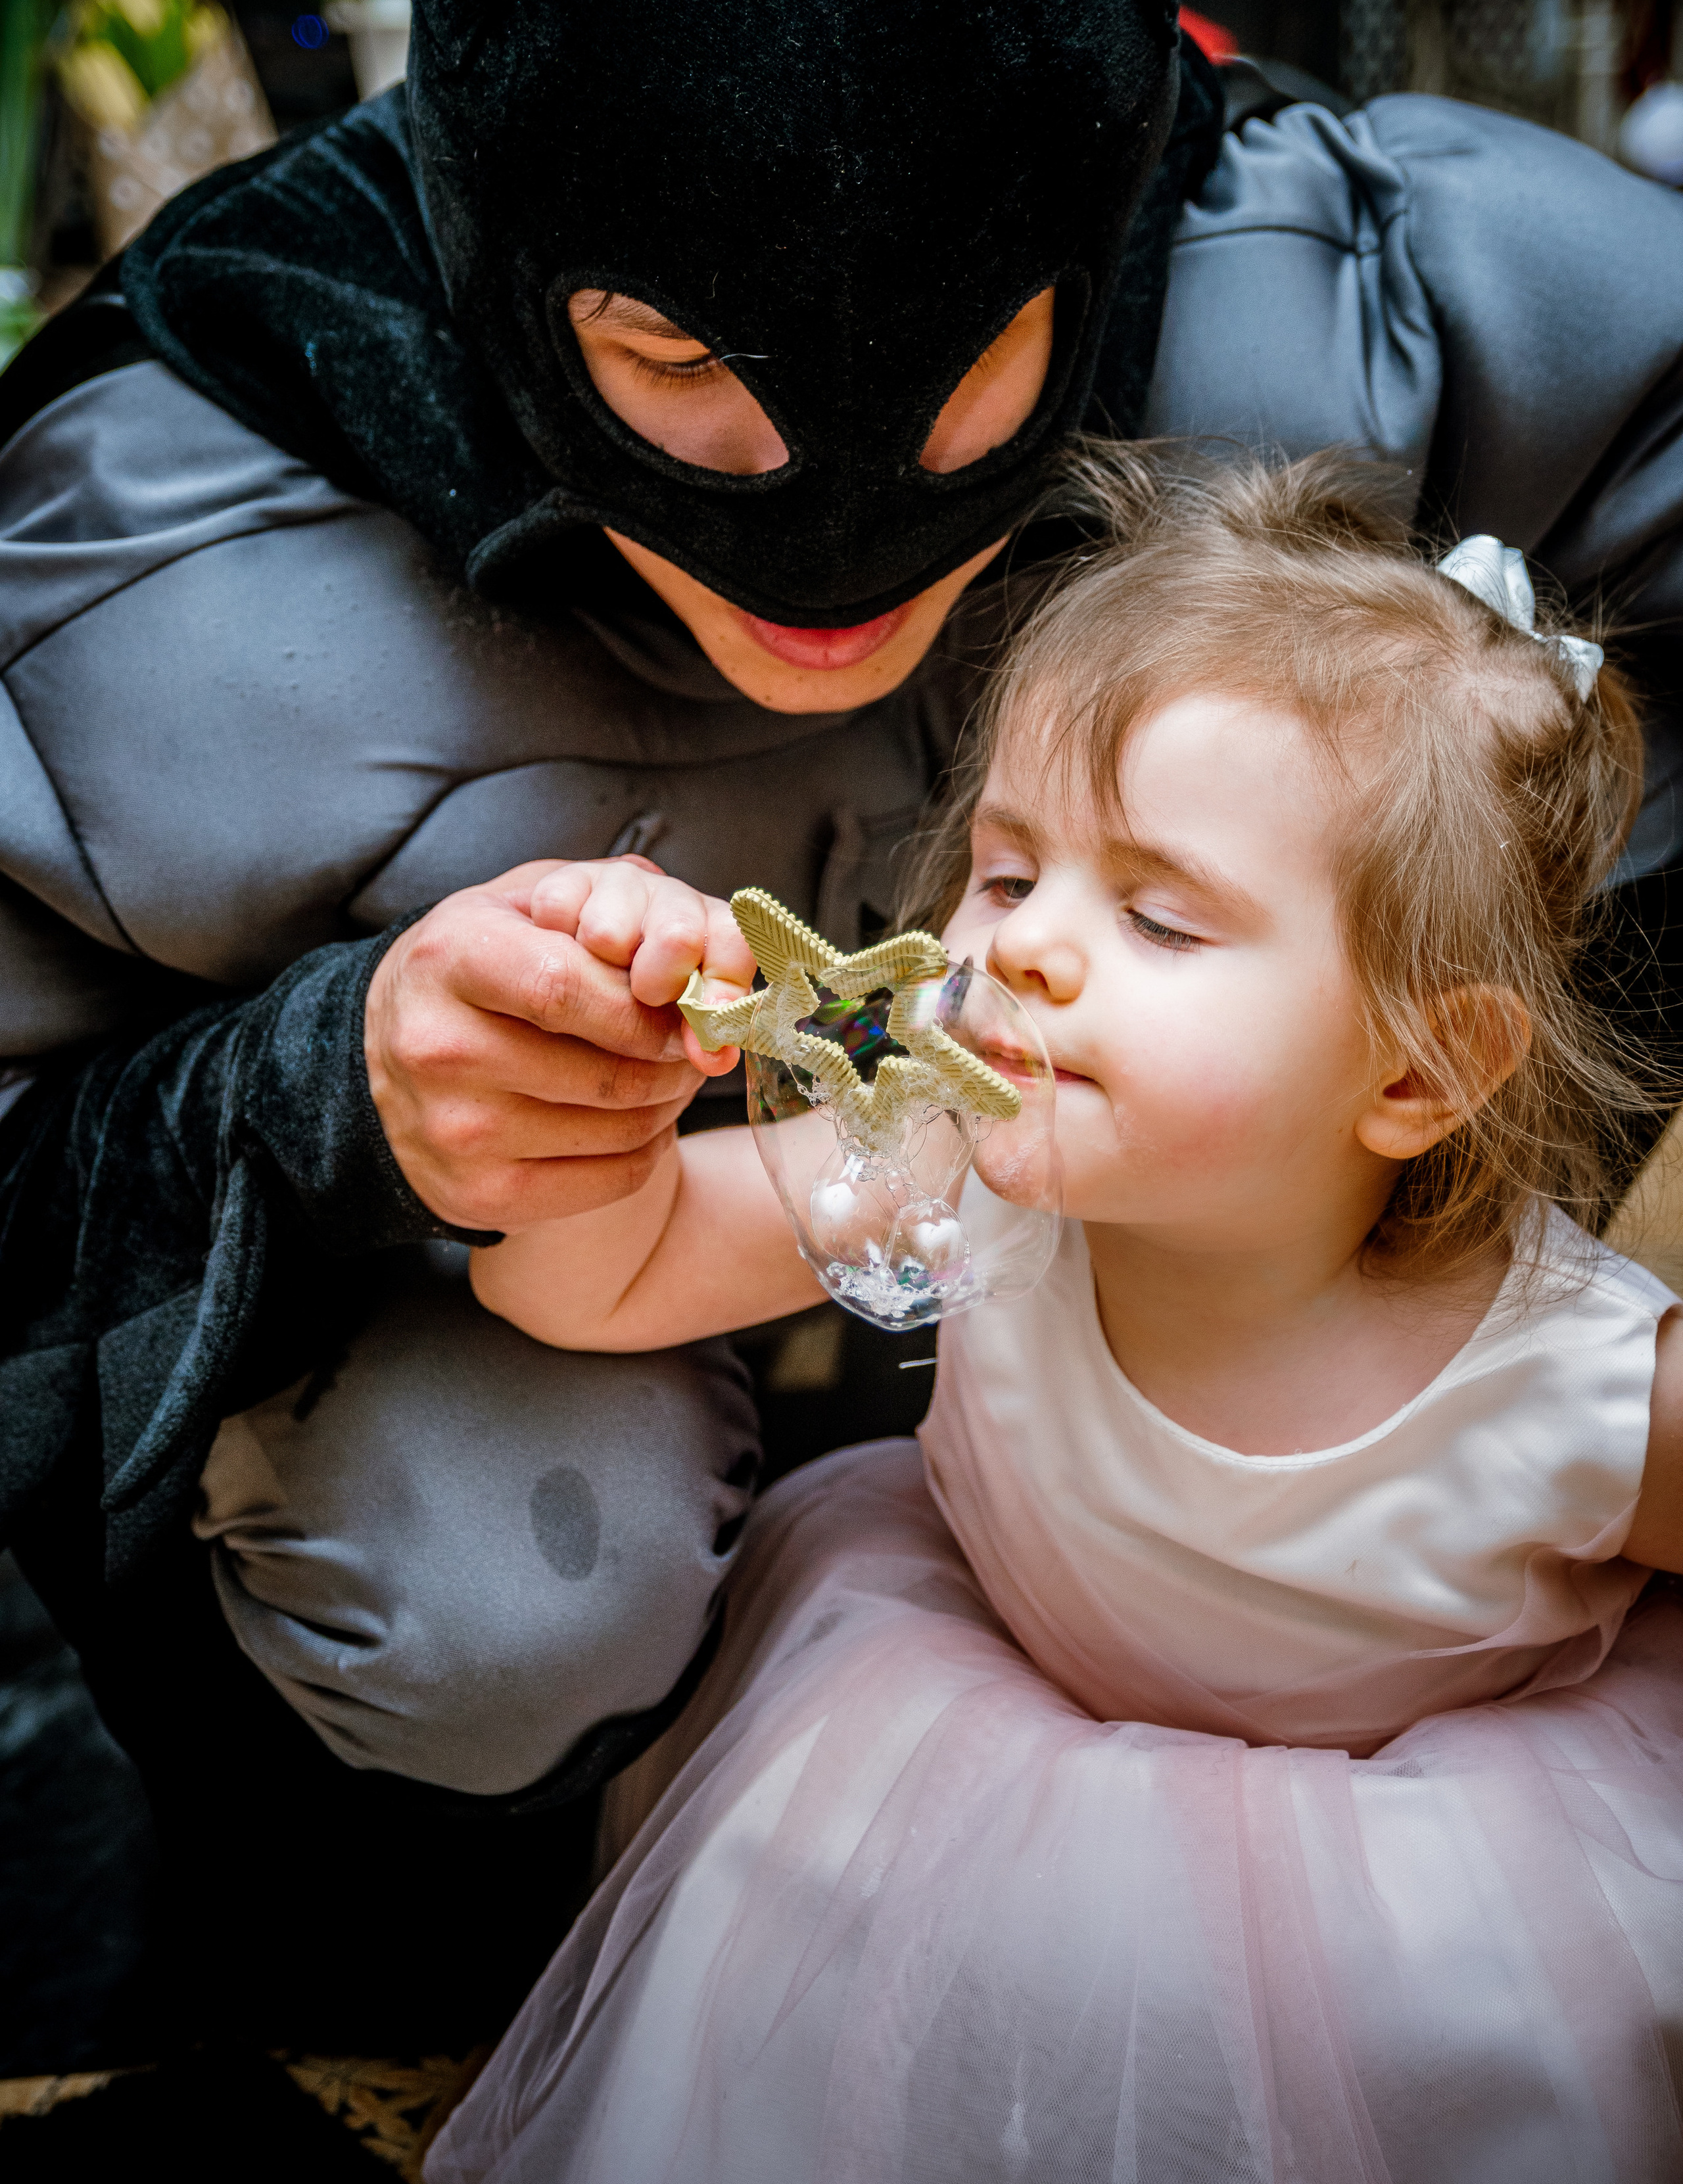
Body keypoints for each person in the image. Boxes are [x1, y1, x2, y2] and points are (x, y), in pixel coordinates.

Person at [2, 0, 1683, 2035]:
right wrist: (350, 1087)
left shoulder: (1360, 300)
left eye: (979, 355)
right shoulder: (151, 524)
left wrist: (1471, 1151)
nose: (827, 542)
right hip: (833, 1673)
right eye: (678, 365)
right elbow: (578, 1264)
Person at [424, 449, 1683, 2182]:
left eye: (1161, 915)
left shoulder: (1584, 1385)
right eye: (1008, 874)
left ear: (1420, 1063)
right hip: (967, 1769)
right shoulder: (955, 1163)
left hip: (1419, 1913)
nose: (1025, 951)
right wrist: (606, 1090)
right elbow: (599, 1278)